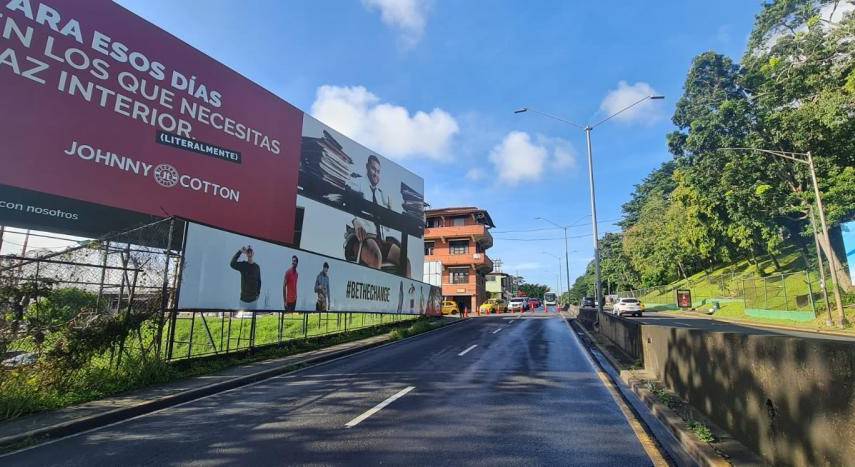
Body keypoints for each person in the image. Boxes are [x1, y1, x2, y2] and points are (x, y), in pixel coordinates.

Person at [346, 155, 411, 277]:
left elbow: (393, 216)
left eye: (378, 171)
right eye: (373, 169)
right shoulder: (357, 183)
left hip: (382, 240)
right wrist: (355, 221)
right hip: (365, 237)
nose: (375, 174)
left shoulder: (382, 194)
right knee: (376, 257)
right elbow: (346, 203)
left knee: (405, 261)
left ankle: (407, 295)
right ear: (367, 167)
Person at [229, 246, 261, 311]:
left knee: (253, 320)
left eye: (251, 251)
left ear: (253, 253)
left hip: (253, 301)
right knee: (242, 320)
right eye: (248, 251)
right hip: (243, 300)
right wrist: (240, 251)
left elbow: (259, 281)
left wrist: (258, 294)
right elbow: (232, 264)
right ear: (246, 254)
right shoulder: (243, 265)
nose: (249, 253)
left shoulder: (257, 267)